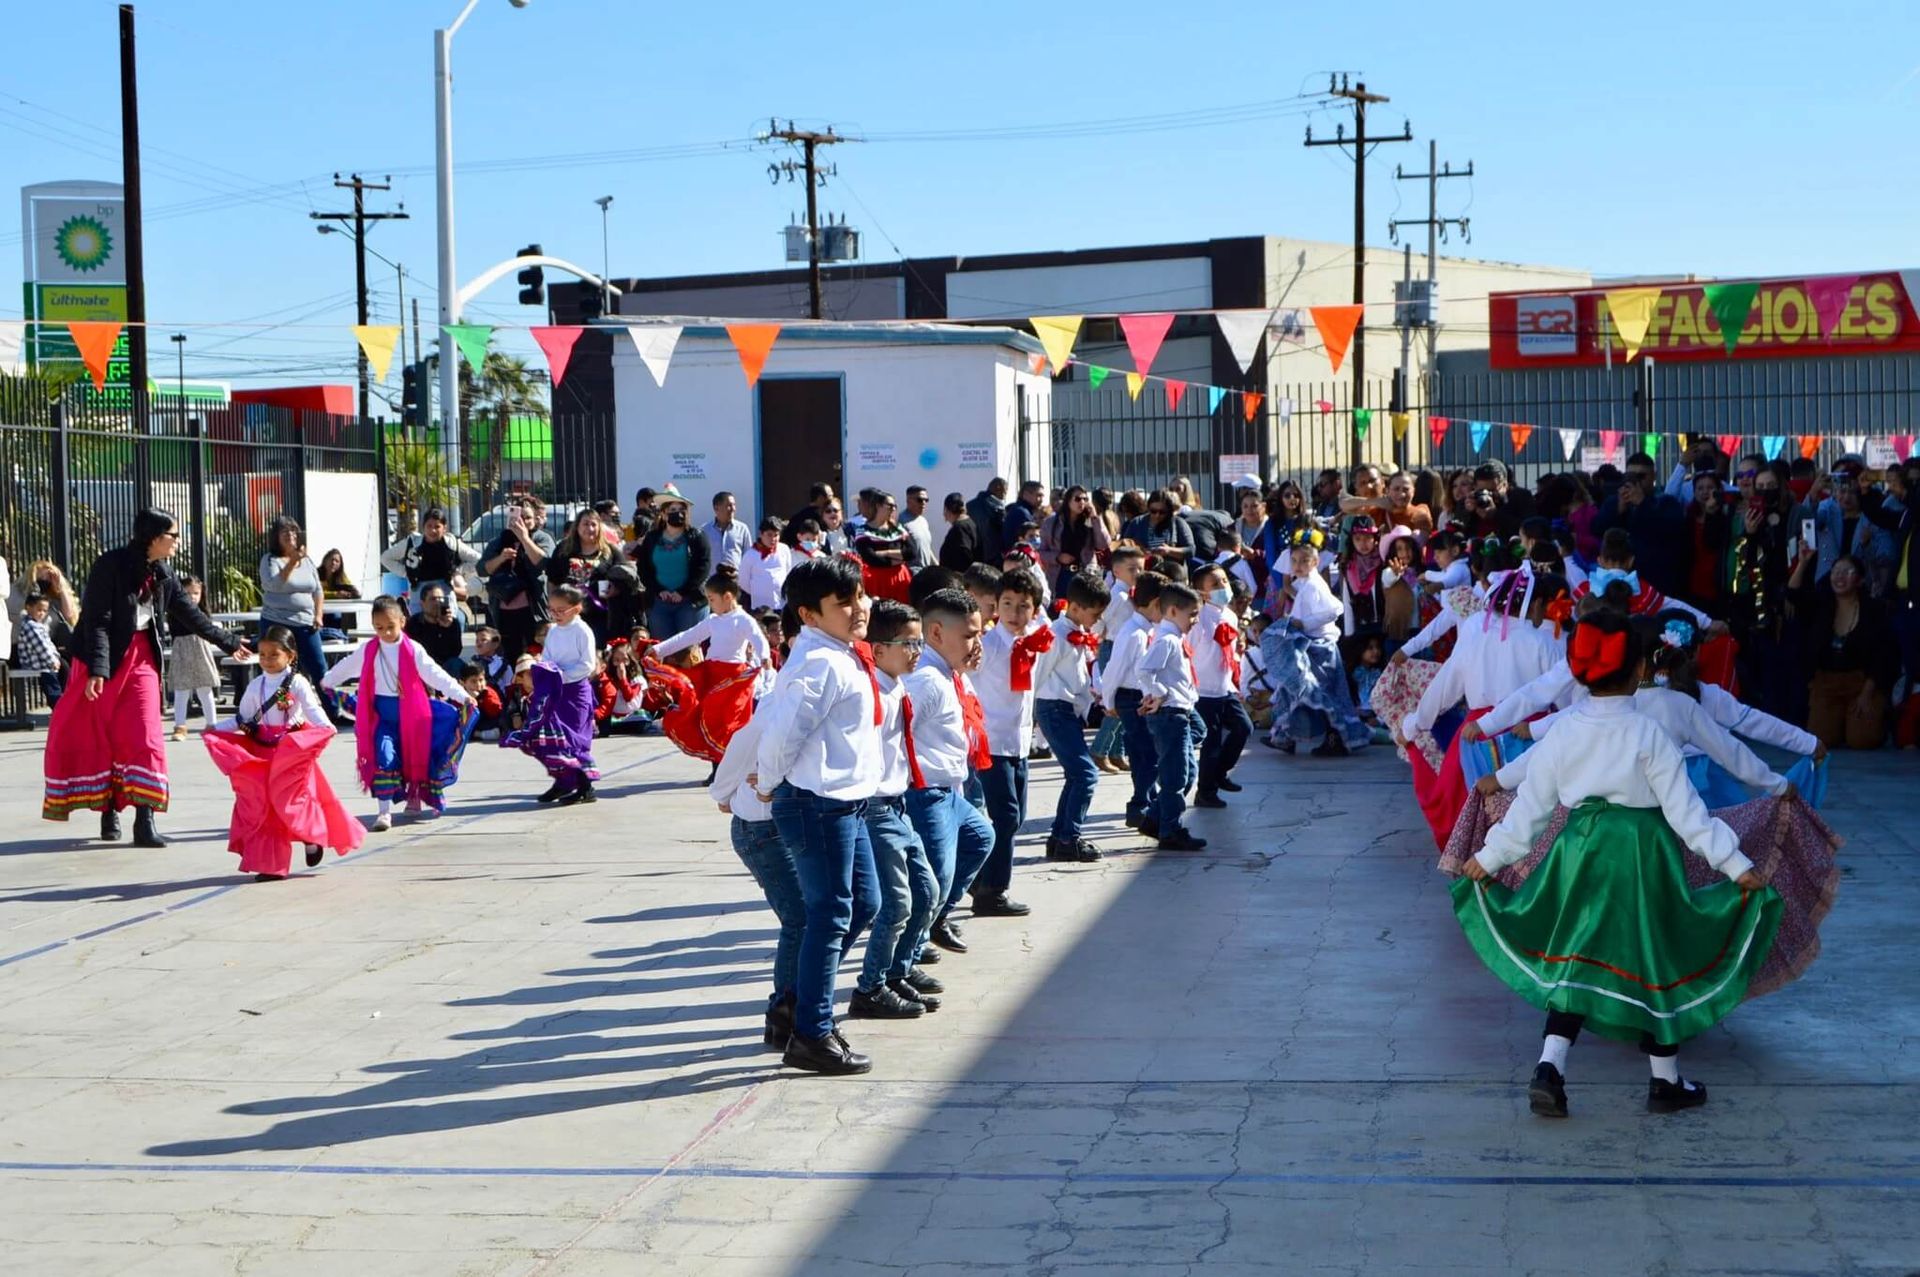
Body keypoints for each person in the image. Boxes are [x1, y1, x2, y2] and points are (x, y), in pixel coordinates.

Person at [1454, 609, 1777, 1119]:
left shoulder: (1563, 733)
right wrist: (1735, 863)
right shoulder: (1649, 734)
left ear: (1580, 673)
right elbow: (1687, 814)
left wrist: (1488, 857)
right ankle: (1665, 1082)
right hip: (1641, 854)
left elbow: (1531, 813)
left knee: (1576, 958)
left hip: (1578, 850)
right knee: (1651, 961)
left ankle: (1549, 1067)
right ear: (1640, 670)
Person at [43, 508, 251, 846]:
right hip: (103, 659)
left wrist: (228, 642)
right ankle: (108, 809)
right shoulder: (109, 566)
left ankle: (145, 818)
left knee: (145, 736)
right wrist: (98, 669)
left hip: (141, 659)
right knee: (105, 736)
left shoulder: (164, 572)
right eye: (173, 535)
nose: (177, 542)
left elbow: (190, 614)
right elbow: (96, 620)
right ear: (154, 538)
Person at [753, 556, 884, 1075]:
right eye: (844, 603)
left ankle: (796, 1001)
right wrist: (766, 783)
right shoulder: (820, 662)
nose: (859, 609)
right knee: (830, 914)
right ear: (809, 614)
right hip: (817, 803)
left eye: (860, 596)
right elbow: (783, 732)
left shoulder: (841, 653)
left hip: (846, 801)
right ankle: (812, 1031)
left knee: (863, 903)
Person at [203, 625, 363, 881]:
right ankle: (270, 864)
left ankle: (311, 838)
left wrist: (325, 728)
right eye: (263, 654)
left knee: (292, 803)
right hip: (263, 753)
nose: (266, 660)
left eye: (273, 655)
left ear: (290, 656)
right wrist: (214, 730)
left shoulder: (298, 684)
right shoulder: (256, 685)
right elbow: (242, 719)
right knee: (265, 807)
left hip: (291, 755)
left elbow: (314, 713)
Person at [849, 599, 942, 1020]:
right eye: (907, 643)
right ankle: (870, 987)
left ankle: (896, 971)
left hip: (899, 804)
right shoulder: (870, 692)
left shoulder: (899, 685)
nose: (916, 651)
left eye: (919, 642)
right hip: (875, 808)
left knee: (928, 892)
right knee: (897, 902)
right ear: (878, 648)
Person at [321, 594, 476, 831]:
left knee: (416, 757)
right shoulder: (369, 650)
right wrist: (328, 680)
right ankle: (384, 813)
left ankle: (414, 796)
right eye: (379, 627)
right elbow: (348, 665)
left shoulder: (413, 649)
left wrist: (462, 696)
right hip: (383, 716)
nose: (385, 633)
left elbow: (435, 675)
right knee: (384, 757)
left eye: (390, 627)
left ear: (402, 622)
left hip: (414, 715)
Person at [901, 588, 999, 961]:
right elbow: (898, 733)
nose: (977, 643)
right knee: (934, 880)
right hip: (925, 791)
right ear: (937, 634)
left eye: (979, 633)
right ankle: (904, 958)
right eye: (969, 635)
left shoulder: (949, 672)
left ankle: (933, 920)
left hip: (950, 789)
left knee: (980, 838)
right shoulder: (925, 679)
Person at [709, 699, 807, 1051]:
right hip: (764, 830)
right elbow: (726, 781)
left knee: (823, 916)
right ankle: (785, 1013)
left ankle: (796, 1005)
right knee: (801, 918)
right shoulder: (776, 712)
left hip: (792, 825)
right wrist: (732, 794)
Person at [971, 568, 1048, 917]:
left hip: (1018, 743)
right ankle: (992, 891)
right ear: (995, 605)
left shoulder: (1033, 643)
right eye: (1008, 604)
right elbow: (965, 682)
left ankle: (978, 876)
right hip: (992, 742)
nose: (1015, 613)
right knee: (1005, 816)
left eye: (1024, 606)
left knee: (1016, 816)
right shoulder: (986, 647)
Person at [1266, 530, 1373, 758]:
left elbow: (1336, 609)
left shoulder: (1314, 584)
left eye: (1304, 560)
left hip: (1319, 648)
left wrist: (1304, 623)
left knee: (1321, 694)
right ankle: (1285, 736)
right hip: (1310, 646)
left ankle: (1335, 739)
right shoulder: (1304, 583)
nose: (1298, 565)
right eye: (1294, 560)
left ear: (1315, 561)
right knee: (1295, 689)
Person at [647, 570, 770, 768]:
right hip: (712, 674)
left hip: (732, 679)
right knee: (708, 719)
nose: (710, 605)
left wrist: (764, 655)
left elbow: (758, 638)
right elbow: (688, 636)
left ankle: (733, 766)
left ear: (727, 597)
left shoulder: (743, 620)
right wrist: (659, 648)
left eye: (712, 600)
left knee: (728, 723)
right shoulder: (714, 620)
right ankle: (717, 767)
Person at [1032, 570, 1110, 862]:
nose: (1097, 619)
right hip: (1054, 708)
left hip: (1069, 710)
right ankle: (1069, 837)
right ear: (1075, 607)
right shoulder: (1055, 634)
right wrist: (1033, 716)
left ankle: (1060, 836)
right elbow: (1037, 675)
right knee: (1086, 773)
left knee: (1076, 774)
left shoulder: (1075, 634)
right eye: (1095, 612)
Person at [503, 583, 602, 805]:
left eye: (561, 610)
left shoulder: (582, 631)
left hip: (575, 692)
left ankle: (585, 787)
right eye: (552, 609)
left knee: (573, 739)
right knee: (552, 739)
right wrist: (542, 669)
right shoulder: (554, 631)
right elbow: (548, 656)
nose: (555, 614)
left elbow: (587, 665)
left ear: (576, 608)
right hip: (555, 692)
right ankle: (563, 782)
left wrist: (561, 676)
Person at [1788, 550, 1894, 749]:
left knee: (1862, 740)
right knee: (1821, 739)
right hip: (1827, 681)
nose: (1839, 576)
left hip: (1860, 682)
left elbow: (1883, 654)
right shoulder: (1822, 603)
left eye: (1847, 571)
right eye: (1835, 571)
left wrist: (1867, 693)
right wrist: (1802, 563)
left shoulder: (1873, 610)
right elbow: (1794, 594)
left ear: (1860, 580)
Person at [1138, 580, 1207, 851]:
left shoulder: (1175, 639)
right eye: (1191, 614)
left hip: (1180, 712)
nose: (1195, 620)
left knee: (1187, 772)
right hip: (1170, 714)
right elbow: (1145, 671)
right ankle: (1170, 829)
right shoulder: (1166, 640)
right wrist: (1160, 693)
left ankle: (1155, 818)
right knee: (1176, 775)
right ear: (1172, 612)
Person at [1108, 571, 1168, 835]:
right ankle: (1139, 804)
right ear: (1155, 604)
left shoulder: (1146, 630)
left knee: (1144, 754)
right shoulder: (1134, 633)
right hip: (1130, 697)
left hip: (1140, 697)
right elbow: (1114, 669)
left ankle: (1146, 801)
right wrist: (1109, 700)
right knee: (1147, 754)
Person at [1191, 563, 1252, 810]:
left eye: (1224, 581)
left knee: (1243, 728)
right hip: (1204, 691)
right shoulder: (1198, 618)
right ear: (1202, 592)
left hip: (1224, 687)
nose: (1222, 587)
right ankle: (1205, 791)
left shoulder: (1230, 615)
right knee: (1211, 743)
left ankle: (1220, 773)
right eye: (1214, 584)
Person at [260, 515, 333, 700]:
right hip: (277, 621)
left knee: (319, 667)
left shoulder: (307, 561)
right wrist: (292, 562)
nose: (290, 534)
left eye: (293, 530)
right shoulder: (270, 560)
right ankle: (280, 708)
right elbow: (273, 585)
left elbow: (317, 590)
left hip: (307, 622)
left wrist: (318, 615)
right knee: (281, 668)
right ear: (275, 536)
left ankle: (333, 710)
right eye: (284, 531)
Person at [1595, 453, 1688, 597]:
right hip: (1619, 586)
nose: (1636, 483)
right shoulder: (1615, 502)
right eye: (1631, 477)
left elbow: (1670, 530)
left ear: (1653, 476)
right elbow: (1597, 529)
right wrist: (1618, 510)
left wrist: (1642, 503)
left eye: (1641, 477)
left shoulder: (1666, 503)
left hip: (1658, 584)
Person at [633, 484, 712, 641]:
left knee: (689, 651)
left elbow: (703, 567)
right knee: (663, 650)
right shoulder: (652, 538)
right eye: (672, 510)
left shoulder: (697, 536)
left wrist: (682, 592)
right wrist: (658, 590)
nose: (678, 514)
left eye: (681, 510)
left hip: (690, 602)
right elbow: (643, 567)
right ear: (663, 513)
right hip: (659, 602)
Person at [1090, 545, 1144, 773]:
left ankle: (1117, 752)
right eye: (1132, 569)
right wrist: (1099, 634)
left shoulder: (1132, 595)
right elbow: (1099, 621)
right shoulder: (1117, 596)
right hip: (1112, 647)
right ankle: (1099, 750)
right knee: (1116, 701)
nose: (1137, 574)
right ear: (1117, 570)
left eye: (1140, 569)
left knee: (1127, 699)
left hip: (1128, 648)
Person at [482, 496, 553, 663]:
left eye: (527, 517)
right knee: (511, 655)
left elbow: (543, 562)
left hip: (532, 608)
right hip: (505, 608)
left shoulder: (542, 538)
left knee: (536, 652)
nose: (523, 521)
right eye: (519, 518)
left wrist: (524, 538)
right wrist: (501, 558)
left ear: (535, 519)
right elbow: (482, 568)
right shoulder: (499, 540)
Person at [380, 508, 481, 612]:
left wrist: (458, 570)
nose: (433, 530)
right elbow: (386, 558)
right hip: (419, 593)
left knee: (446, 622)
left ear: (444, 528)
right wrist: (406, 572)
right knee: (419, 625)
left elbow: (477, 559)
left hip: (445, 592)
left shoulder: (452, 544)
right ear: (423, 527)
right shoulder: (412, 543)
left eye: (437, 526)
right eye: (429, 526)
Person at [549, 504, 625, 643]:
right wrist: (554, 607)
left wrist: (615, 588)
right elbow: (553, 580)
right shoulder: (563, 549)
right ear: (577, 527)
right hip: (568, 613)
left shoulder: (610, 551)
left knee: (596, 653)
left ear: (599, 527)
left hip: (600, 614)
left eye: (593, 525)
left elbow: (624, 575)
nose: (589, 528)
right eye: (585, 524)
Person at [168, 573, 224, 741]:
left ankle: (212, 724)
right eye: (187, 593)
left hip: (200, 649)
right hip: (182, 650)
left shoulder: (202, 613)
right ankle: (180, 726)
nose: (192, 597)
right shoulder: (176, 611)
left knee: (205, 689)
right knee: (181, 690)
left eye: (196, 593)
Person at [1038, 485, 1112, 599]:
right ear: (1068, 501)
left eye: (1085, 499)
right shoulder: (1052, 523)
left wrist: (1095, 518)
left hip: (1086, 574)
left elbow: (1103, 544)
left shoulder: (1090, 521)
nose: (1082, 502)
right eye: (1077, 499)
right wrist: (1058, 557)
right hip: (1061, 574)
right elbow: (1041, 553)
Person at [853, 491, 913, 604]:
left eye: (895, 506)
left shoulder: (898, 529)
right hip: (877, 580)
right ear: (878, 506)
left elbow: (911, 553)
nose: (893, 509)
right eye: (889, 505)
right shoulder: (863, 531)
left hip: (900, 578)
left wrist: (885, 552)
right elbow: (870, 558)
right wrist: (898, 559)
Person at [404, 583, 466, 675]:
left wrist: (447, 629)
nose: (437, 603)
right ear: (422, 603)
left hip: (445, 666)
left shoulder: (452, 623)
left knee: (456, 664)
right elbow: (410, 651)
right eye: (433, 599)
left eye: (440, 599)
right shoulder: (414, 623)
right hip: (422, 666)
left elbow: (455, 651)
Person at [16, 593, 66, 706]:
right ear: (28, 607)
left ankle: (61, 708)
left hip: (44, 663)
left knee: (57, 684)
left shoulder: (36, 624)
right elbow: (41, 646)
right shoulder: (30, 626)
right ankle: (59, 710)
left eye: (45, 610)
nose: (42, 613)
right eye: (39, 610)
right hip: (40, 664)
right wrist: (52, 660)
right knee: (53, 690)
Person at [1122, 488, 1196, 562]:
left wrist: (1169, 551)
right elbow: (1123, 546)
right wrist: (1140, 550)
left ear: (1169, 511)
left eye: (1162, 512)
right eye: (1153, 511)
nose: (1157, 515)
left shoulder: (1178, 523)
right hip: (1144, 569)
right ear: (1148, 508)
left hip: (1170, 569)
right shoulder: (1137, 523)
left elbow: (1191, 550)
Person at [738, 516, 794, 612]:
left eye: (776, 535)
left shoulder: (784, 550)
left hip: (781, 603)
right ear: (761, 534)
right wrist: (759, 591)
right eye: (769, 535)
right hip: (760, 606)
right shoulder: (750, 555)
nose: (773, 539)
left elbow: (788, 572)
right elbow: (743, 582)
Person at [699, 490, 753, 571]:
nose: (733, 509)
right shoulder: (705, 531)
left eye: (734, 505)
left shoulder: (742, 529)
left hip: (735, 581)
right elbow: (699, 558)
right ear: (716, 508)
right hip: (712, 581)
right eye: (729, 505)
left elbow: (748, 557)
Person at [967, 478, 1010, 564]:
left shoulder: (970, 505)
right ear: (998, 488)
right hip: (993, 554)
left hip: (974, 551)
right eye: (1005, 491)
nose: (1005, 495)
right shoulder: (997, 507)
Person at [781, 482, 836, 550]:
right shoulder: (821, 518)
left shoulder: (796, 518)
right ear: (820, 498)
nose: (832, 499)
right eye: (830, 496)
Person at [939, 492, 982, 570]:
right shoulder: (970, 523)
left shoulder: (959, 529)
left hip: (958, 579)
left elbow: (963, 556)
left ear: (946, 509)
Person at [901, 486, 935, 569]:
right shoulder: (901, 522)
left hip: (926, 572)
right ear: (908, 501)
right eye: (920, 500)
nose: (923, 503)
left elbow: (927, 549)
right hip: (911, 573)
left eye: (926, 500)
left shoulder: (923, 521)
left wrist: (937, 566)